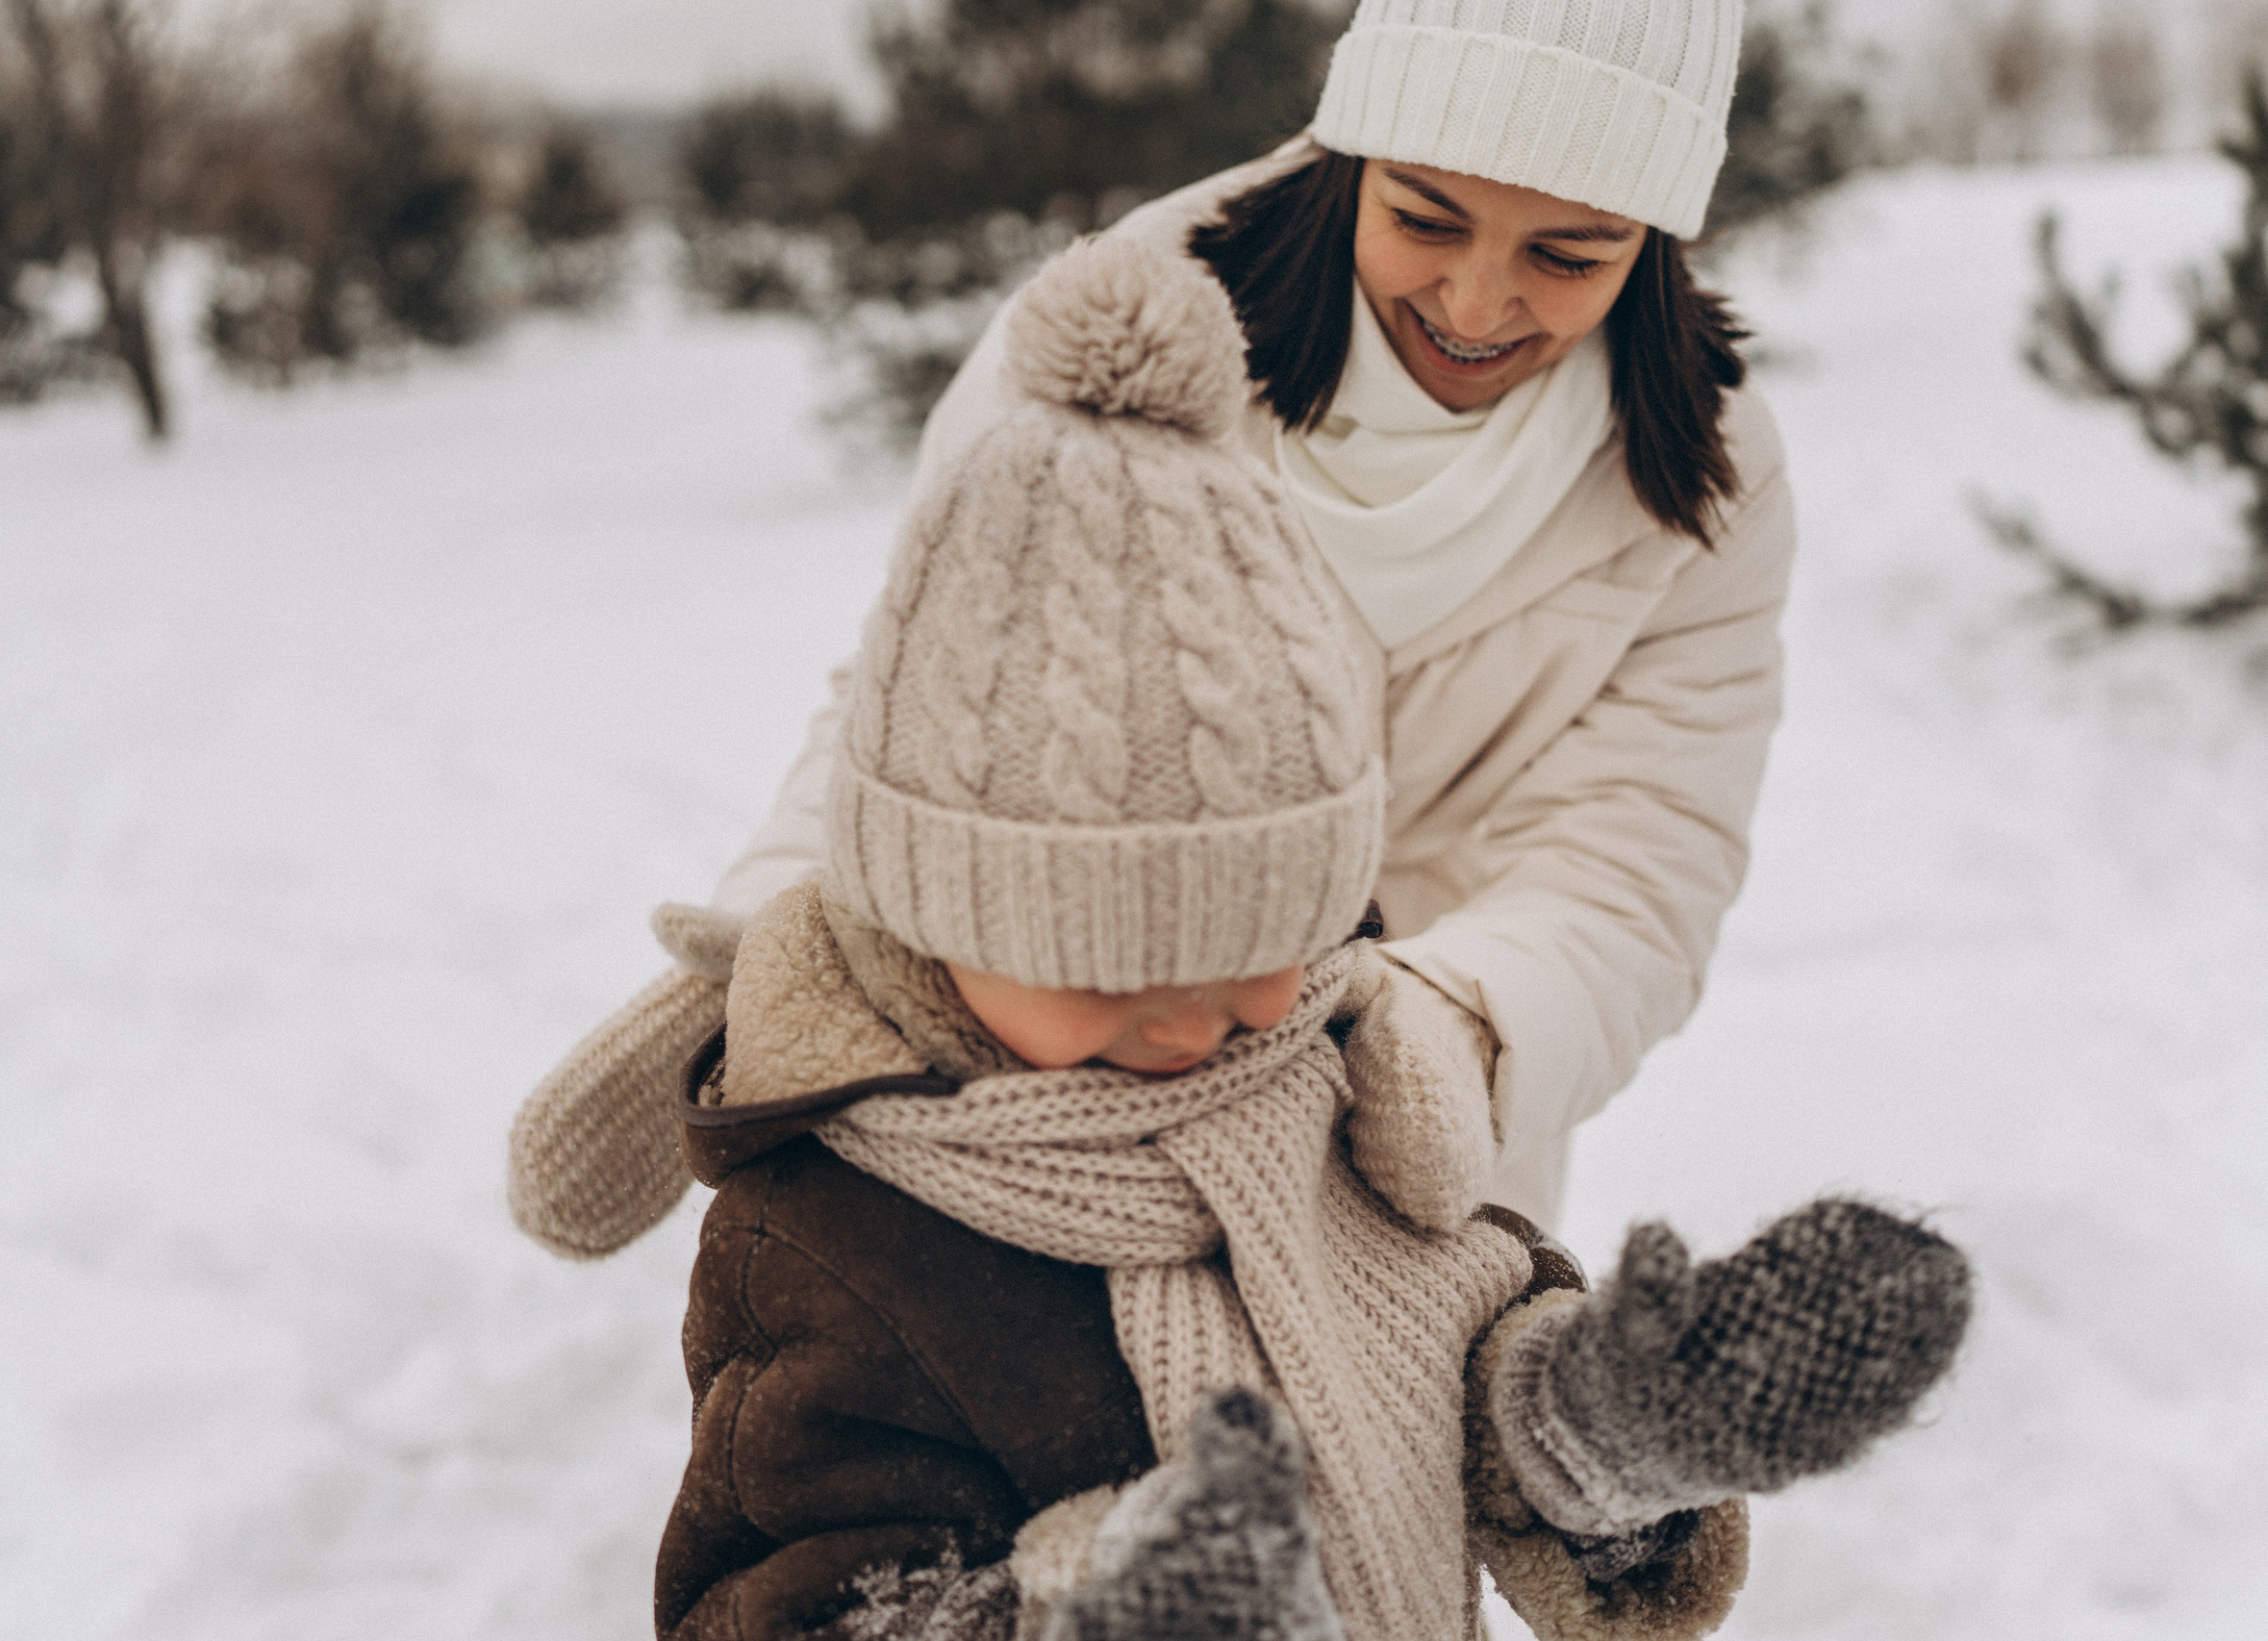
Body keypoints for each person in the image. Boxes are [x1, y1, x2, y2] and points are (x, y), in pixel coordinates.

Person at [617, 240, 1965, 1641]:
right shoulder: (842, 1243)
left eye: (1255, 948)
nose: (1194, 1023)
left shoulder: (1326, 1086)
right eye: (1107, 971)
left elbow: (1452, 1382)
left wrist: (1605, 1426)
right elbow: (785, 1609)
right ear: (932, 911)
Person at [504, 0, 1796, 1260]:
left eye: (1568, 256)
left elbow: (1642, 851)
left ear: (1653, 242)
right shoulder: (1118, 333)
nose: (1473, 303)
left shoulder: (1705, 476)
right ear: (1352, 156)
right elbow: (929, 710)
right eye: (1423, 218)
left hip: (1415, 1149)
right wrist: (772, 954)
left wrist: (1449, 1037)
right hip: (1057, 1078)